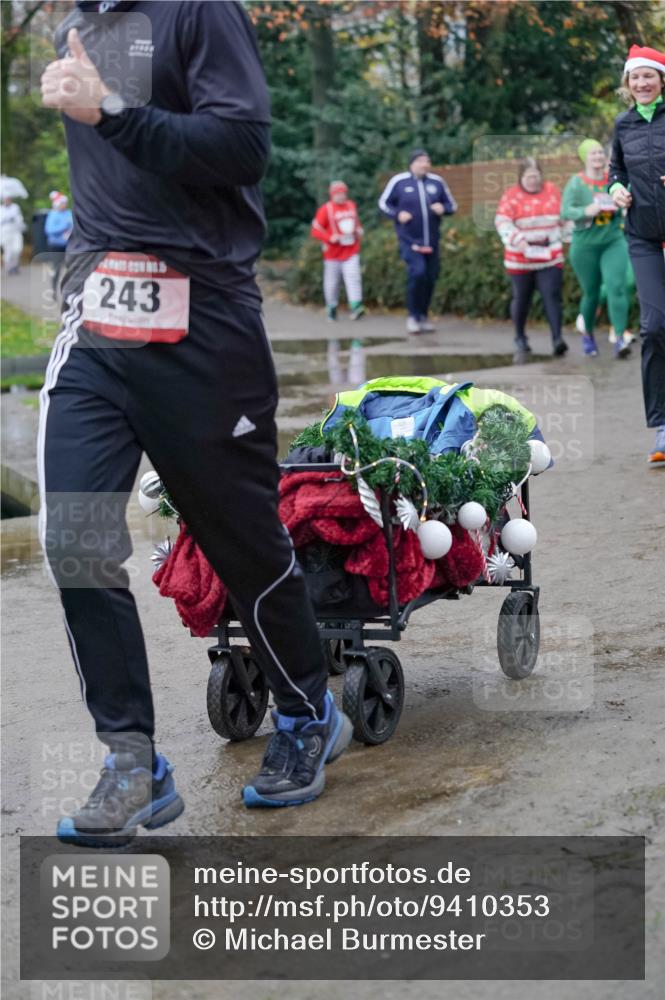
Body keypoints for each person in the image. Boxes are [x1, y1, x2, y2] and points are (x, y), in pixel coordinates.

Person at [39, 0, 352, 846]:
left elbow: (242, 146)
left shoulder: (197, 10)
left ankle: (305, 712)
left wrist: (109, 112)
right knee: (72, 535)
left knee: (240, 540)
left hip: (204, 318)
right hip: (99, 324)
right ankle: (131, 758)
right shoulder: (72, 24)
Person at [609, 44, 665, 467]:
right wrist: (615, 189)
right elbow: (616, 171)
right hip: (642, 235)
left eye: (649, 75)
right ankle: (663, 426)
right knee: (654, 326)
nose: (642, 83)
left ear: (661, 80)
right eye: (635, 77)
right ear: (628, 85)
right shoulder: (623, 124)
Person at [561, 139, 632, 359]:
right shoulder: (576, 183)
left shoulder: (615, 179)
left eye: (601, 152)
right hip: (585, 246)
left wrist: (626, 204)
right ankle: (588, 335)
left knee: (617, 287)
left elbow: (628, 199)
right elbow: (565, 211)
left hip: (613, 241)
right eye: (593, 153)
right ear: (584, 157)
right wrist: (586, 210)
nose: (599, 157)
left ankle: (620, 338)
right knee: (591, 293)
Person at [494, 158, 569, 364]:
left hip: (549, 255)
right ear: (521, 177)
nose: (533, 180)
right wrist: (520, 242)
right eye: (529, 177)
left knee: (552, 296)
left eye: (536, 176)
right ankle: (520, 336)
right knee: (522, 299)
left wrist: (566, 233)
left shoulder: (553, 191)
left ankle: (557, 339)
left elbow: (565, 216)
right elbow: (502, 222)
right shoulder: (511, 196)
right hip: (521, 257)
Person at [378, 149, 457, 334]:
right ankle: (412, 316)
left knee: (430, 277)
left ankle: (422, 316)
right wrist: (398, 215)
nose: (425, 164)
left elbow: (452, 206)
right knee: (418, 272)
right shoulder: (399, 182)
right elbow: (383, 204)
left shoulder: (437, 182)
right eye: (421, 161)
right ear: (412, 164)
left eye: (427, 161)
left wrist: (442, 209)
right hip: (409, 240)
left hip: (432, 240)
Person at [311, 180, 364, 321]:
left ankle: (356, 307)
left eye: (343, 193)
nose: (341, 196)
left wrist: (358, 230)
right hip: (333, 253)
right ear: (332, 195)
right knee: (332, 283)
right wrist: (329, 237)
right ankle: (331, 307)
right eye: (338, 193)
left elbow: (356, 223)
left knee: (353, 278)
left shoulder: (351, 205)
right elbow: (315, 230)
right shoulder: (326, 209)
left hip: (351, 249)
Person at [44, 190, 73, 296]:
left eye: (65, 203)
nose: (64, 205)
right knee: (56, 269)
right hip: (55, 246)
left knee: (70, 269)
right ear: (58, 204)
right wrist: (64, 227)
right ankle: (53, 291)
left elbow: (74, 225)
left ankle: (69, 292)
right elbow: (49, 230)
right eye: (62, 203)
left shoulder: (69, 213)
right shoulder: (53, 214)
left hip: (69, 245)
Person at [0, 196, 25, 274]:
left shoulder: (15, 207)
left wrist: (15, 219)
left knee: (17, 249)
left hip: (15, 232)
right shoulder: (1, 209)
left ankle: (15, 265)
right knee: (8, 251)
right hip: (5, 233)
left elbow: (19, 218)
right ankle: (9, 267)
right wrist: (6, 219)